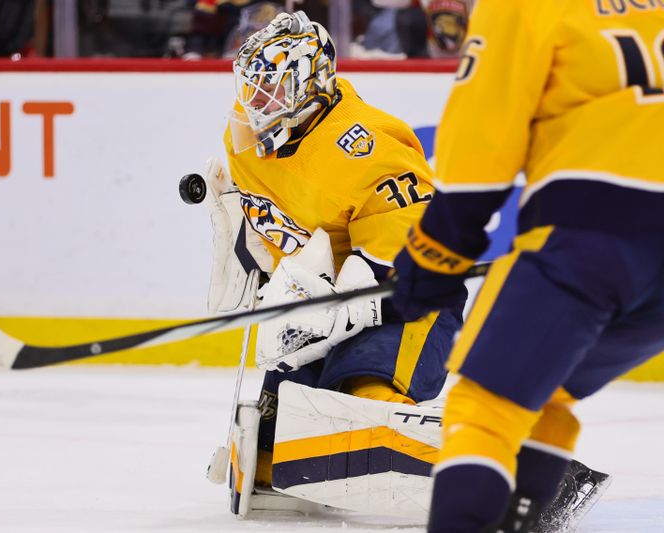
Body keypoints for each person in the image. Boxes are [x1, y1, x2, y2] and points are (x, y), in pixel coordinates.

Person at [390, 0, 664, 531]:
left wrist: (436, 253)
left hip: (593, 233)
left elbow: (482, 135)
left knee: (487, 405)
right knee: (544, 388)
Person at [207, 9, 461, 514]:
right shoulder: (247, 145)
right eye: (251, 89)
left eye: (270, 91)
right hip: (317, 308)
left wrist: (335, 306)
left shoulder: (367, 147)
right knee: (277, 439)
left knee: (360, 394)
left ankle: (480, 467)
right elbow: (265, 233)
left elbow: (408, 261)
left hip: (405, 302)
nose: (255, 104)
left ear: (310, 90)